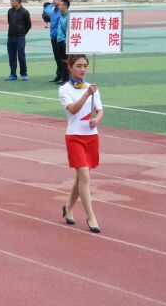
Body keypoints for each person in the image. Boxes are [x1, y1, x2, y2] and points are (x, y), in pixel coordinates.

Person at [59, 54, 103, 234]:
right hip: (75, 137)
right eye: (78, 65)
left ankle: (69, 206)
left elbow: (100, 110)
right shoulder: (64, 89)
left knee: (81, 177)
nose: (83, 69)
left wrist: (96, 120)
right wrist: (87, 94)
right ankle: (91, 216)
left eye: (85, 65)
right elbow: (74, 110)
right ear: (70, 67)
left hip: (91, 137)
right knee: (84, 175)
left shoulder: (92, 88)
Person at [5, 0, 31, 82]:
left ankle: (24, 74)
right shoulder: (10, 11)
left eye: (12, 1)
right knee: (11, 56)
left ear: (17, 2)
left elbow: (28, 25)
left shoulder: (25, 12)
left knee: (21, 56)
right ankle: (13, 74)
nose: (11, 3)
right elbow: (9, 22)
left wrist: (22, 33)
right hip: (10, 37)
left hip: (20, 38)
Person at [47, 0, 65, 84]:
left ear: (61, 1)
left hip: (59, 38)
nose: (53, 1)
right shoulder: (54, 10)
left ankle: (64, 76)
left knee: (62, 58)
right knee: (57, 57)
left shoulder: (62, 12)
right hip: (53, 37)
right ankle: (59, 75)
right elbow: (46, 10)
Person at [54, 0, 71, 84]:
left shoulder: (69, 17)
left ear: (65, 6)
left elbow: (69, 30)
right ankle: (63, 77)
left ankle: (67, 78)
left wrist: (66, 40)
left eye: (61, 5)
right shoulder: (61, 16)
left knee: (66, 61)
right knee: (62, 60)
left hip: (65, 42)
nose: (59, 7)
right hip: (60, 41)